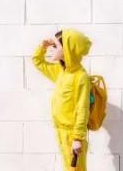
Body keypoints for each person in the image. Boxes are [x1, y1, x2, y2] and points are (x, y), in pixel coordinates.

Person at [32, 28, 93, 171]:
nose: (52, 49)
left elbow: (82, 109)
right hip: (60, 131)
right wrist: (43, 47)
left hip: (72, 134)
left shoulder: (80, 77)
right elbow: (37, 61)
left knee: (75, 169)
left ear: (69, 50)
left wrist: (77, 138)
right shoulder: (61, 72)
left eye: (56, 46)